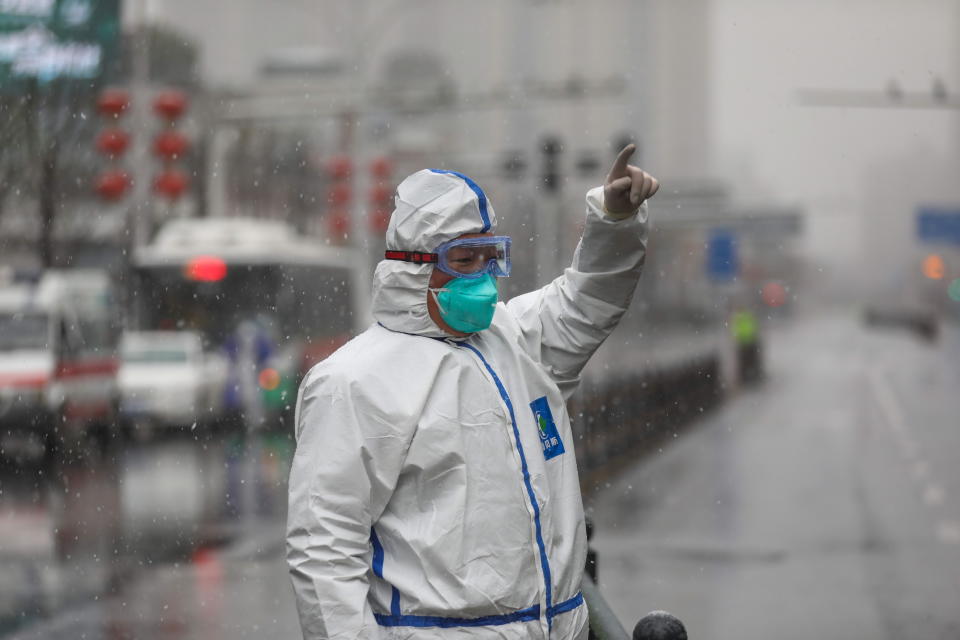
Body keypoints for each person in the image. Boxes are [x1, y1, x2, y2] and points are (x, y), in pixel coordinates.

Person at [287, 145, 659, 640]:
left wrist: (615, 220)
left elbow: (589, 298)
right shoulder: (353, 382)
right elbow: (324, 551)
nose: (482, 275)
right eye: (463, 259)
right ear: (412, 265)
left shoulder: (514, 341)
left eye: (491, 257)